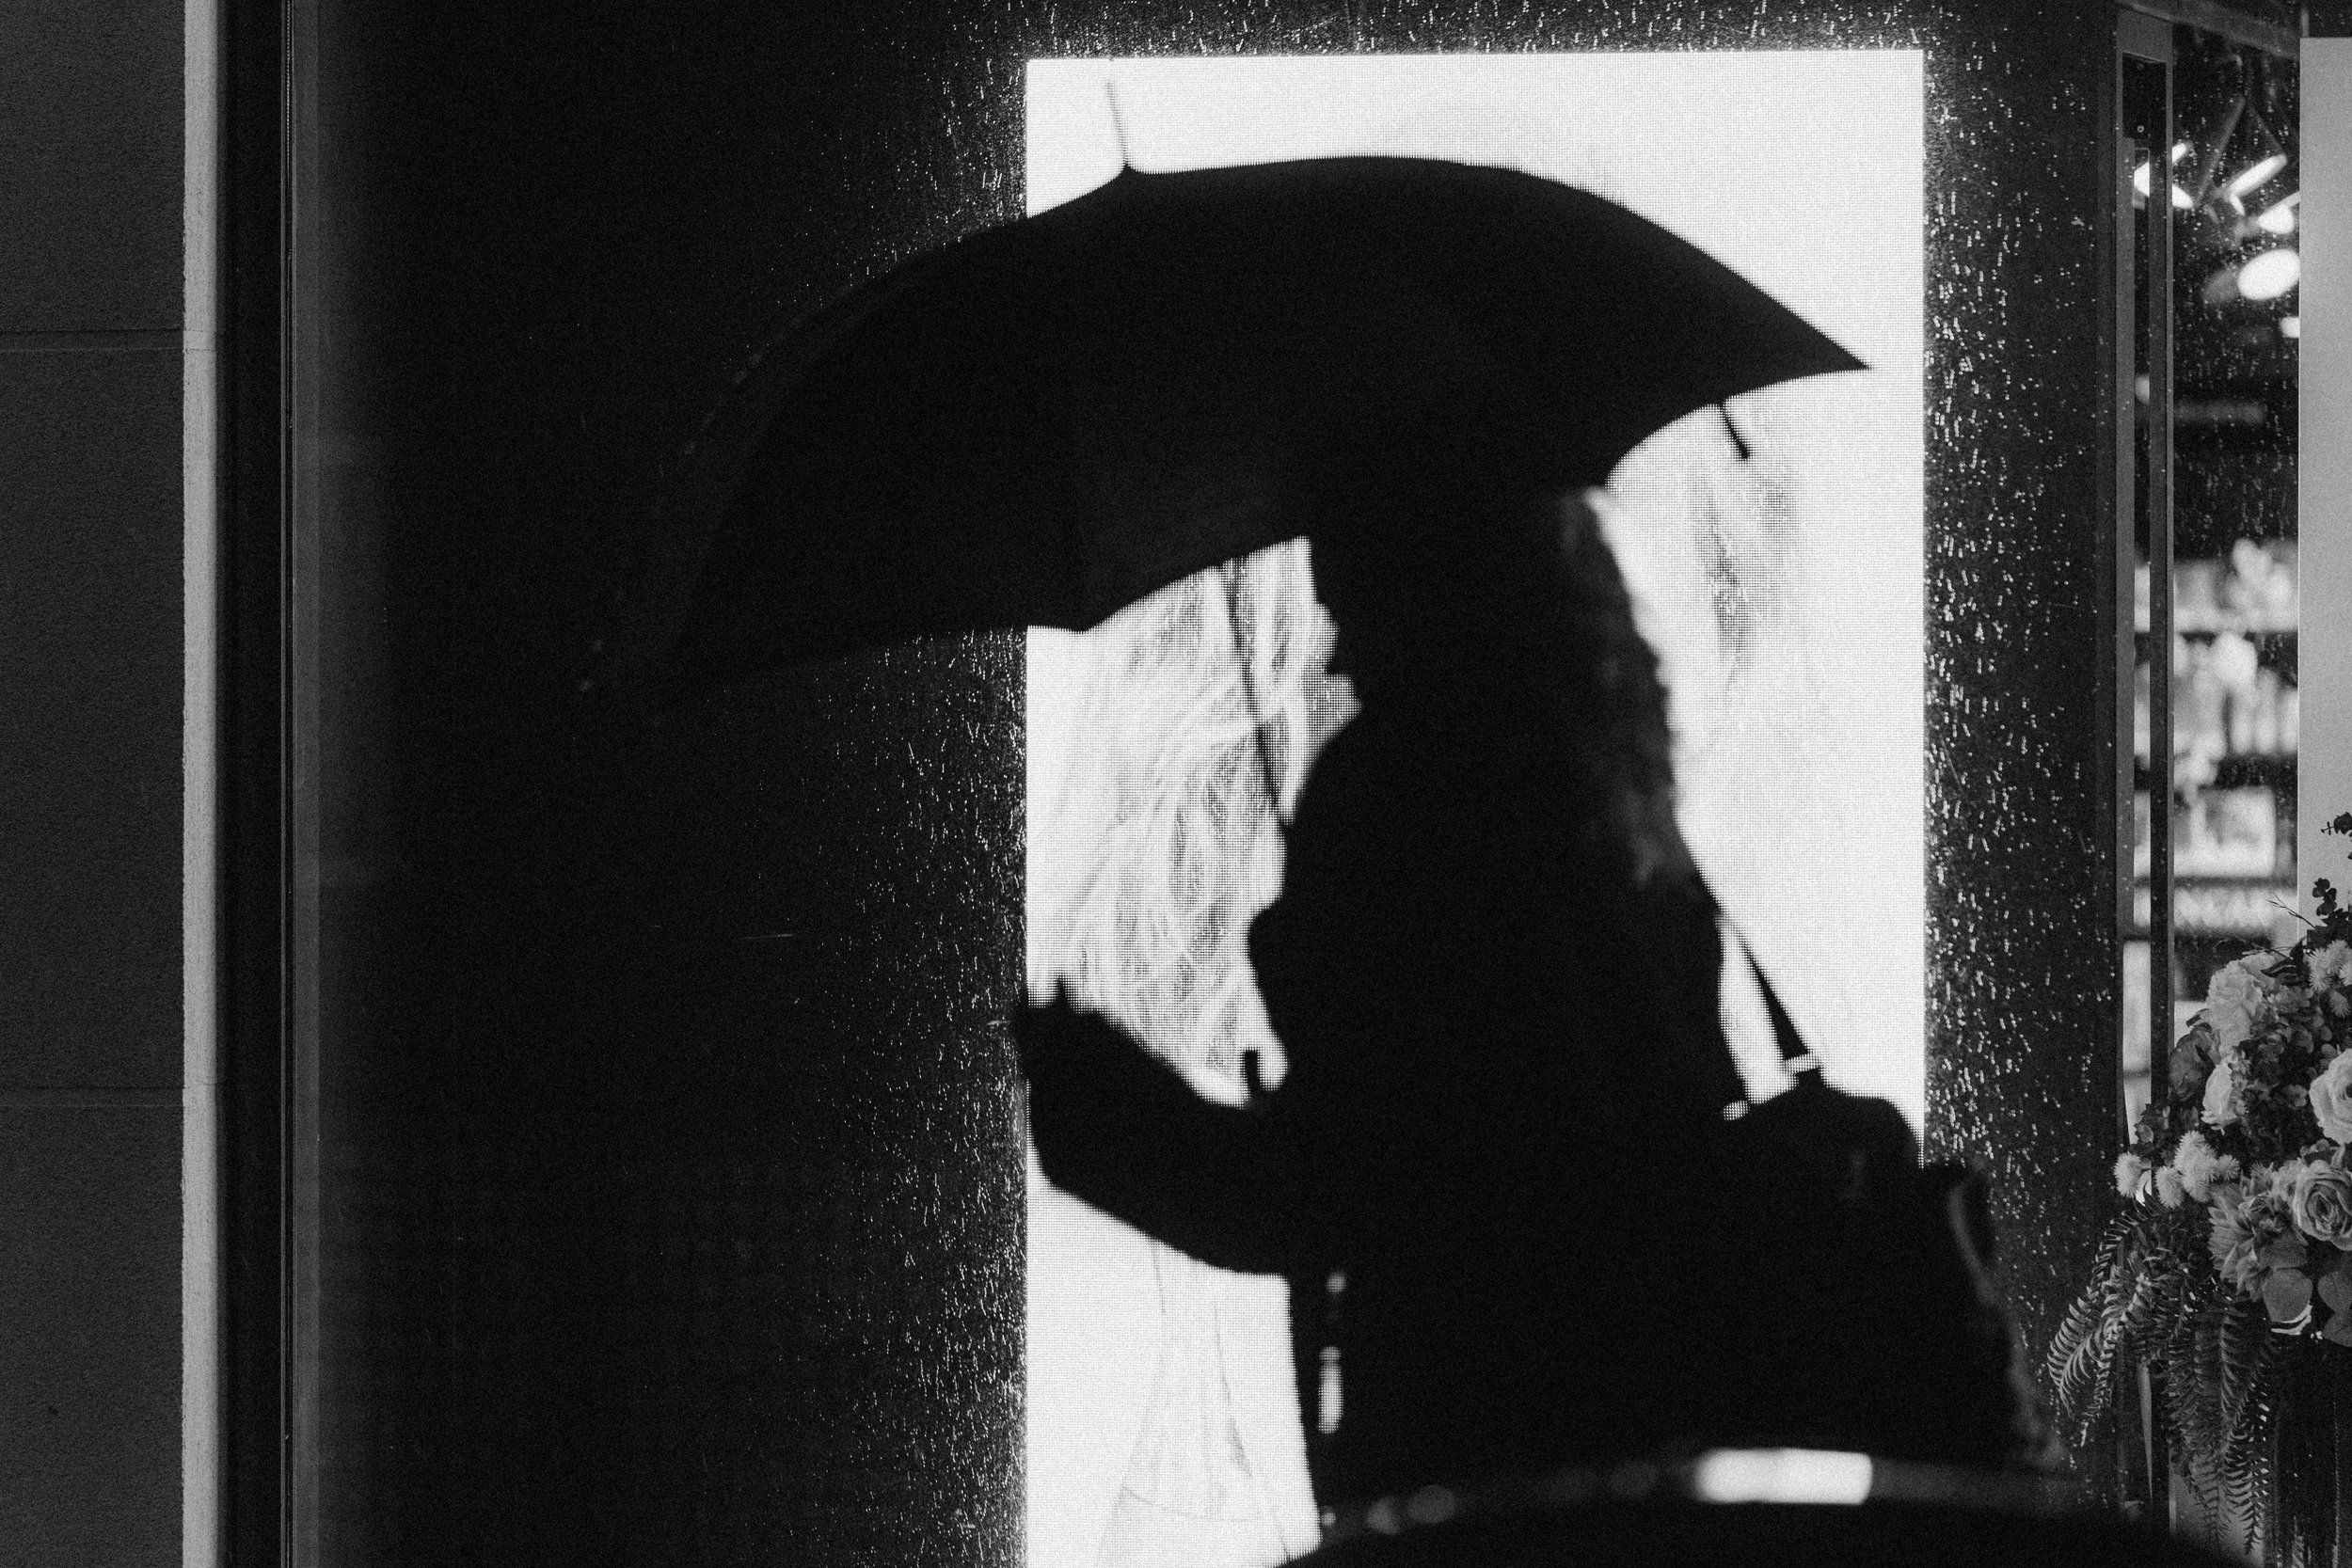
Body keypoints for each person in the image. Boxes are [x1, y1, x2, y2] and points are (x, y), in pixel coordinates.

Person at [1019, 444, 1754, 1504]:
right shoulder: (1612, 786)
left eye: (1348, 592)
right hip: (1651, 1414)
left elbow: (1339, 1187)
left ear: (1413, 578)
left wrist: (1093, 1097)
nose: (1331, 653)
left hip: (1464, 1435)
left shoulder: (1397, 795)